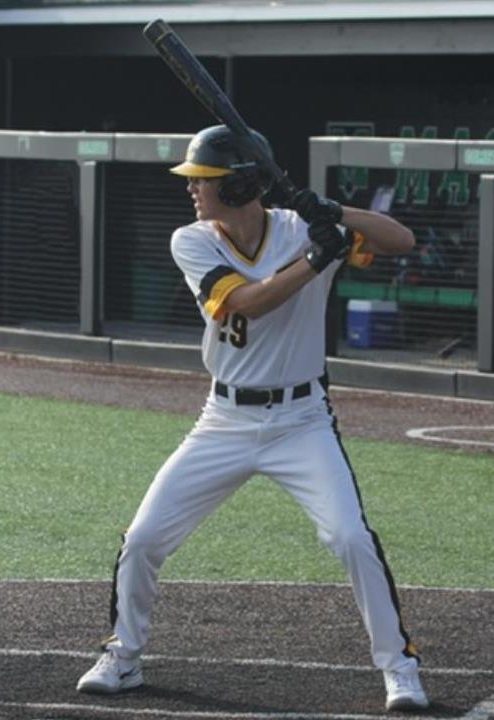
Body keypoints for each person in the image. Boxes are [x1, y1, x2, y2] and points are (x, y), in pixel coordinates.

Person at [77, 125, 429, 712]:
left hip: (302, 421)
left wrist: (333, 212)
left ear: (241, 186)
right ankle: (123, 655)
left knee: (350, 537)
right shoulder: (192, 240)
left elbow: (402, 240)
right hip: (224, 419)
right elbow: (247, 303)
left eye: (205, 180)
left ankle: (400, 667)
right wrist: (317, 258)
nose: (193, 189)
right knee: (143, 538)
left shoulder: (301, 227)